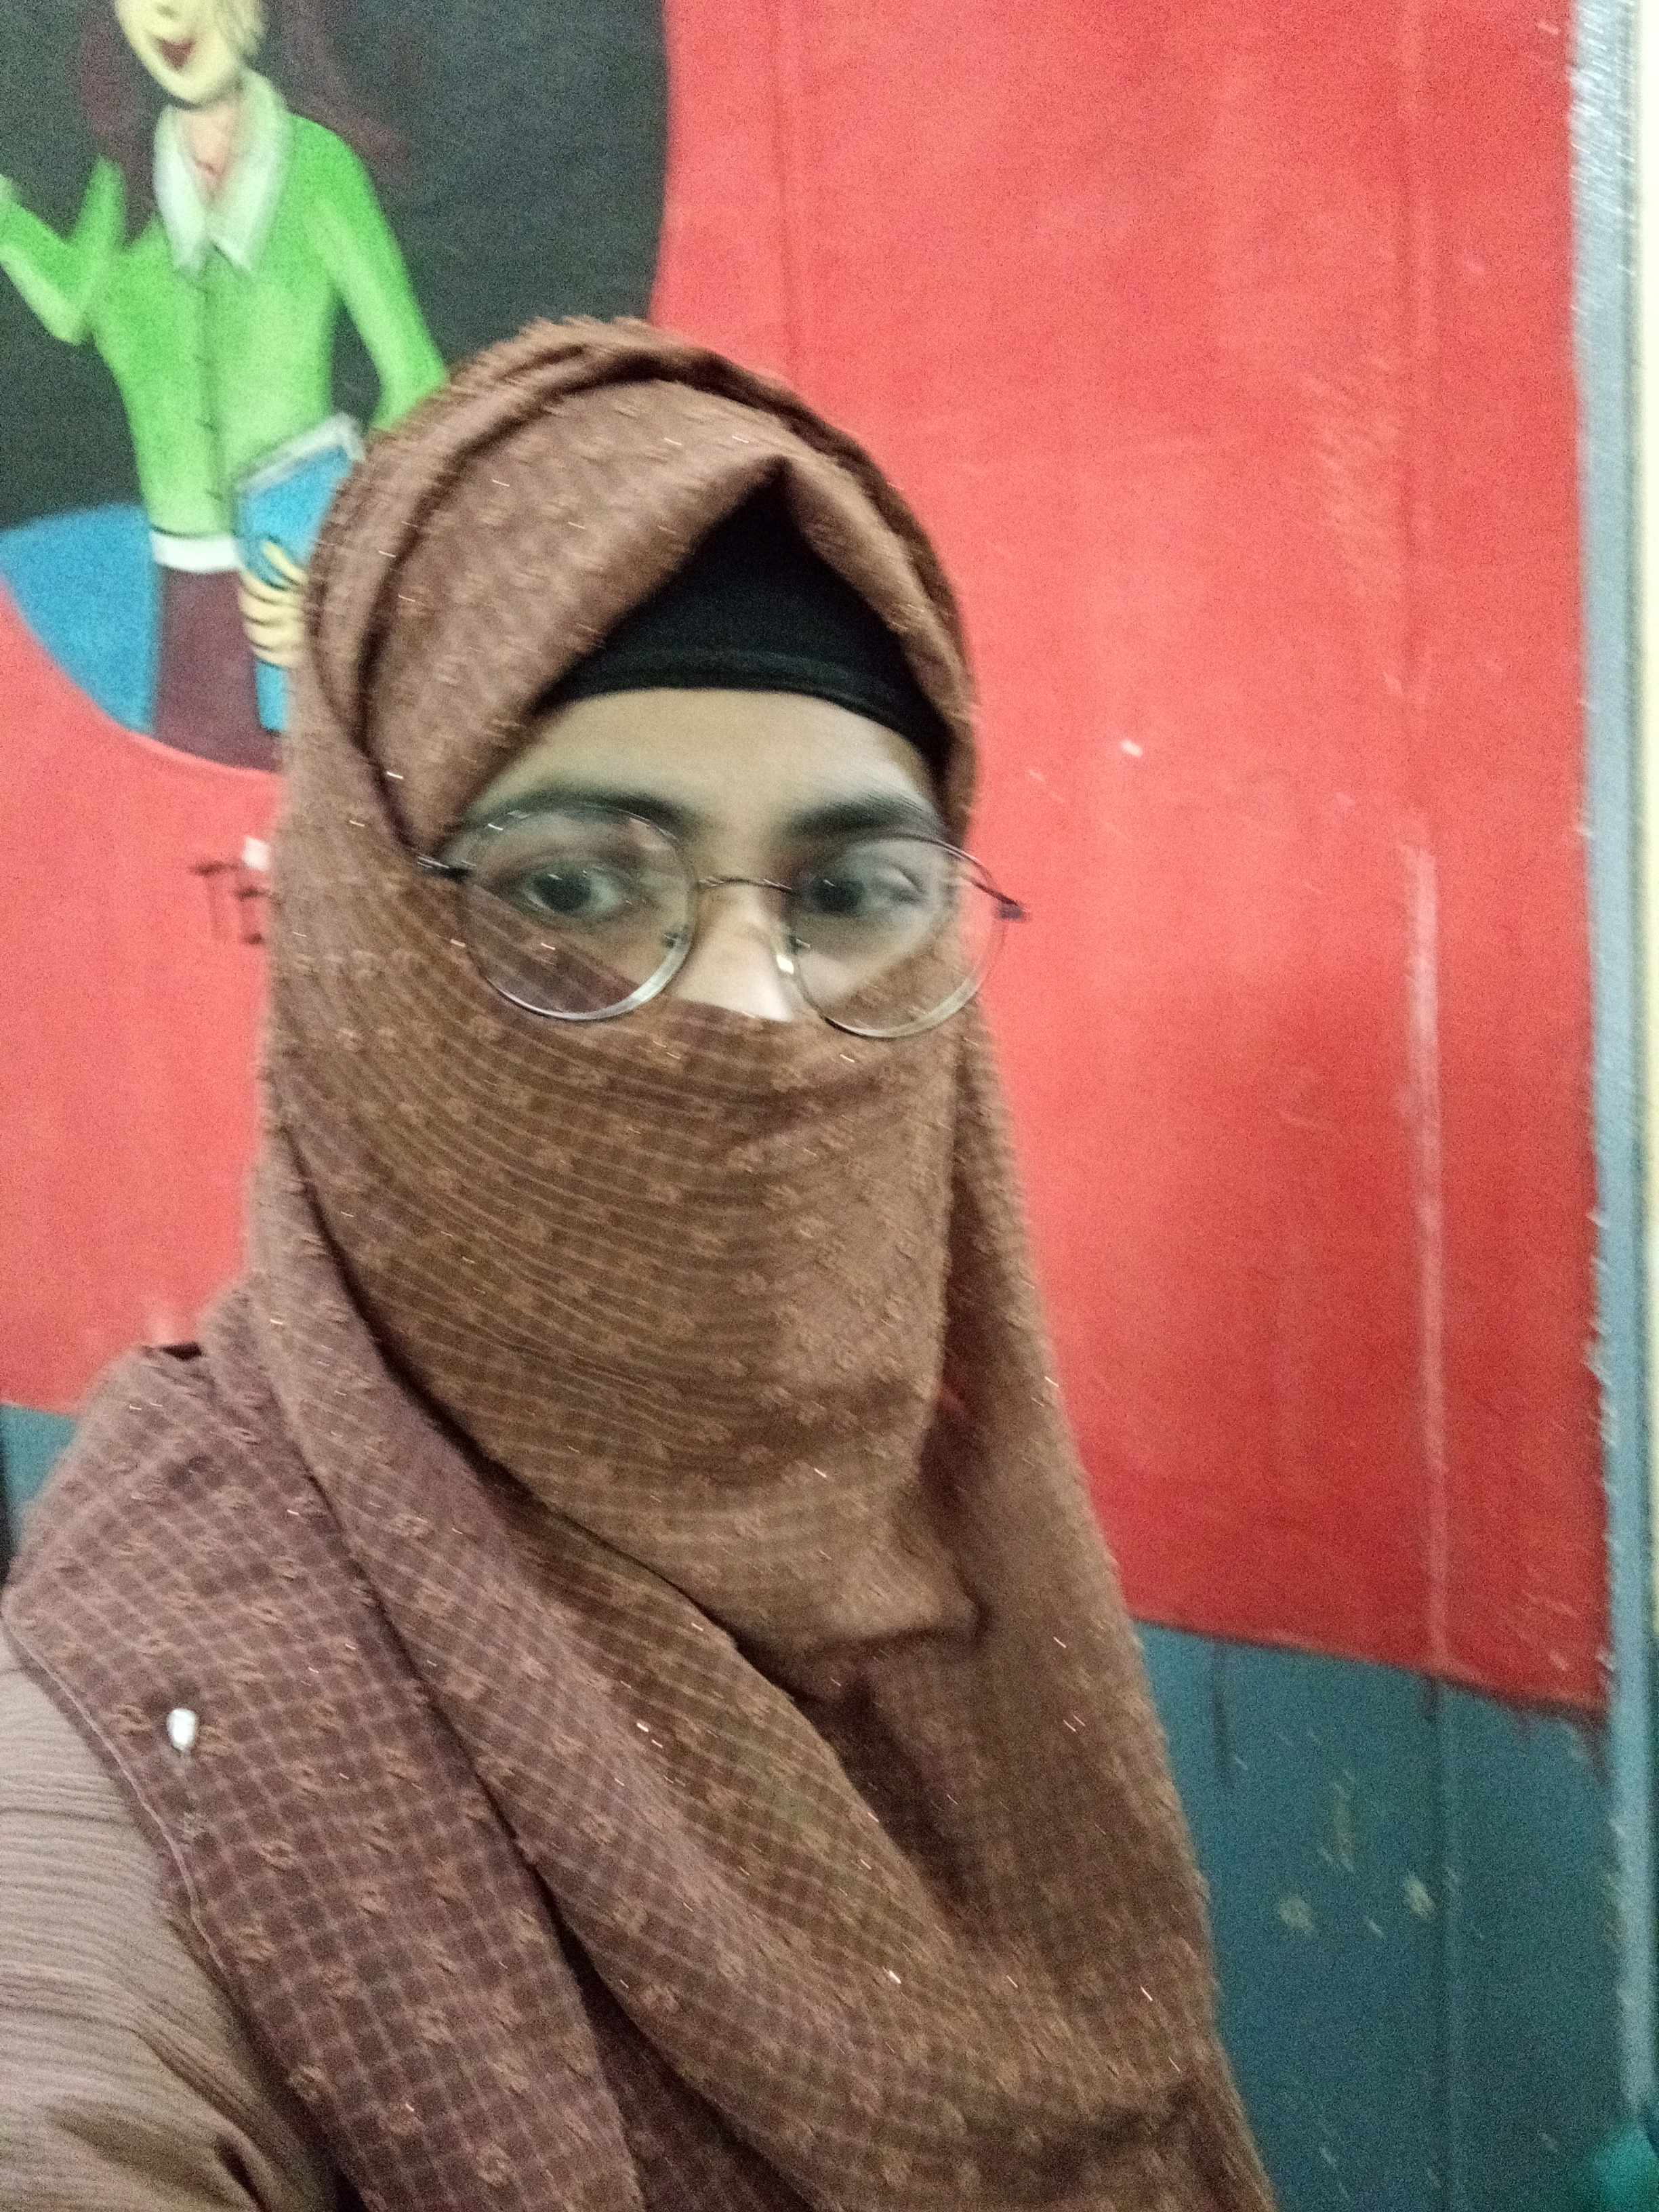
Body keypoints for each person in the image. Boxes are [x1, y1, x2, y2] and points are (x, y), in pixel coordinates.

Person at [0, 319, 1276, 2211]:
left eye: (851, 894)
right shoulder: (154, 1796)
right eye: (575, 887)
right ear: (365, 950)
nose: (752, 1011)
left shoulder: (956, 1609)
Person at [0, 0, 443, 767]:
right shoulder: (126, 176)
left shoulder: (318, 167)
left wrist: (342, 571)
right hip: (183, 588)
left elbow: (417, 378)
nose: (168, 11)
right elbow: (76, 306)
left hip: (293, 581)